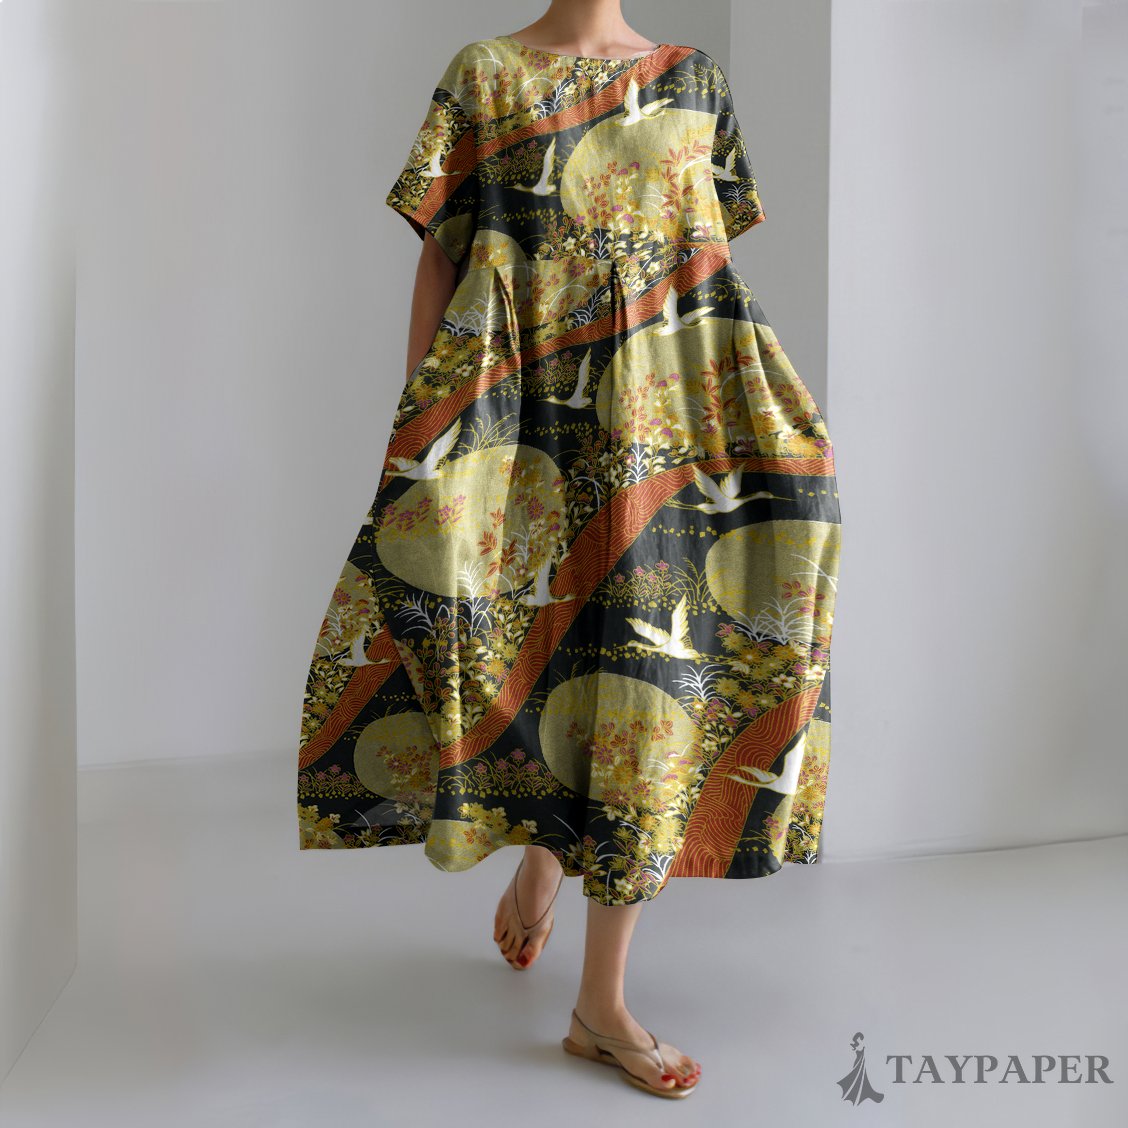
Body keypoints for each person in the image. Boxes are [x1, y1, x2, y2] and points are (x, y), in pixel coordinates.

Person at [298, 0, 841, 1099]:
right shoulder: (485, 74)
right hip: (518, 417)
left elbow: (705, 272)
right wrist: (423, 425)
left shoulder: (693, 80)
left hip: (665, 426)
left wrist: (769, 429)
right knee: (508, 638)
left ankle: (602, 1002)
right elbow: (443, 254)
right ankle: (547, 848)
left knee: (654, 681)